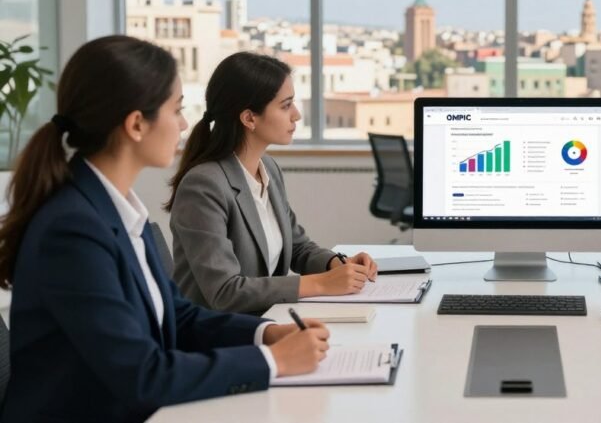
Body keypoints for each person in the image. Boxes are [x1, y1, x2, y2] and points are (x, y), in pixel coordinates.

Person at [0, 36, 330, 422]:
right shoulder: (72, 230)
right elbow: (143, 374)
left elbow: (178, 316)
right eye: (176, 110)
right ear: (137, 124)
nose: (185, 124)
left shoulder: (116, 209)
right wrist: (271, 362)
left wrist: (264, 334)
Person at [167, 52, 377, 315]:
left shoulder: (269, 169)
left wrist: (337, 265)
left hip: (266, 321)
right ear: (249, 118)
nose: (297, 115)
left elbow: (297, 247)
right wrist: (321, 284)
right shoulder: (204, 186)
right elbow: (225, 292)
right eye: (286, 105)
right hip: (220, 338)